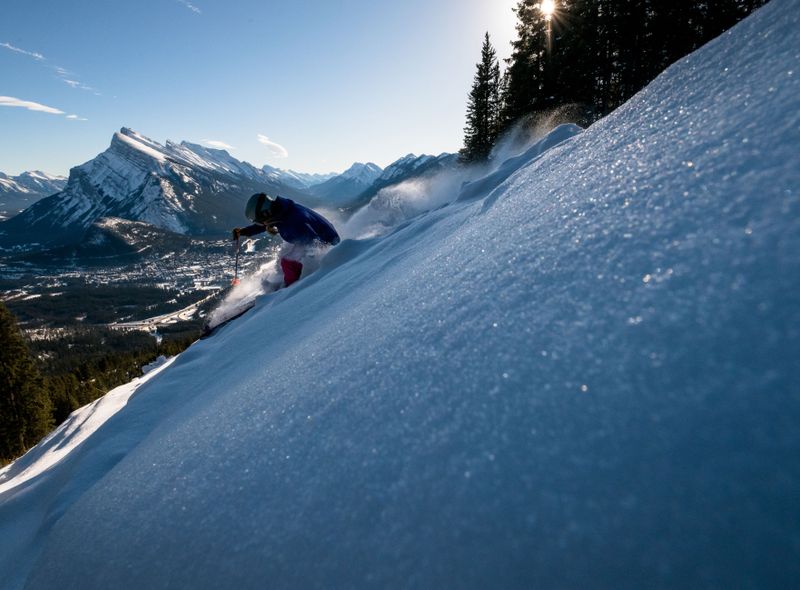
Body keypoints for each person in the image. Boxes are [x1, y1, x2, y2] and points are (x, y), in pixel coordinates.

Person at [232, 193, 340, 287]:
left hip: (328, 244)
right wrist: (245, 231)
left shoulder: (293, 222)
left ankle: (291, 288)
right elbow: (267, 223)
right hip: (320, 238)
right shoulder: (281, 211)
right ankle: (291, 280)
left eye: (261, 221)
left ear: (266, 214)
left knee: (287, 262)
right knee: (287, 258)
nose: (262, 224)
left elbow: (315, 243)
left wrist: (311, 263)